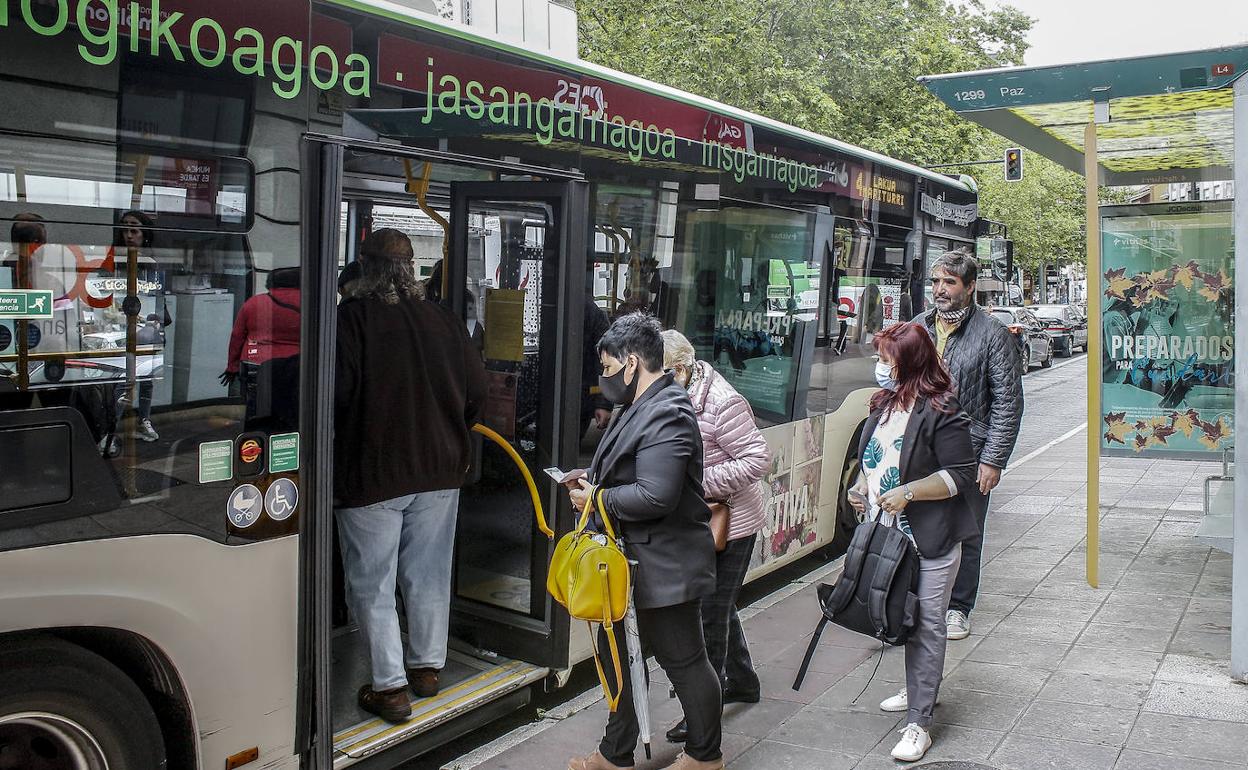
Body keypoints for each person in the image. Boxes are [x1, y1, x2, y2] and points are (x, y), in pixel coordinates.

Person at [333, 229, 486, 724]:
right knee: (428, 573)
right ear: (409, 268)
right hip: (441, 469)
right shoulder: (443, 318)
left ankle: (391, 688)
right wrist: (449, 433)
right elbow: (477, 393)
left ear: (365, 266)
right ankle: (427, 669)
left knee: (372, 582)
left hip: (373, 472)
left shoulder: (351, 319)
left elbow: (336, 395)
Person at [567, 313, 723, 770]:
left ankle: (705, 757)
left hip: (664, 565)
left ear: (632, 363)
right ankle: (615, 754)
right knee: (620, 659)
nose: (604, 379)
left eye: (608, 368)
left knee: (685, 662)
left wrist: (597, 498)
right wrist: (592, 477)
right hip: (631, 561)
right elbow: (630, 467)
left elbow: (656, 494)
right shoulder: (639, 403)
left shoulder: (668, 410)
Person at [847, 321, 977, 762]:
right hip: (889, 536)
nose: (879, 365)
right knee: (900, 616)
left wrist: (909, 492)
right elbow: (874, 459)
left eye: (886, 359)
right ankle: (921, 685)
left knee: (926, 624)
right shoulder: (883, 403)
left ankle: (919, 722)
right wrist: (862, 487)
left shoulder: (942, 408)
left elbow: (960, 475)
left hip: (930, 540)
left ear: (909, 363)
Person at [660, 330, 770, 746]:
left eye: (659, 372)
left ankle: (703, 714)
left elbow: (758, 458)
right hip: (700, 520)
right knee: (720, 606)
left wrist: (697, 482)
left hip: (732, 524)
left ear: (681, 369)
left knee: (709, 613)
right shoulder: (675, 394)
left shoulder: (723, 403)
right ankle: (744, 681)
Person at [918, 250, 1022, 641]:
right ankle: (916, 602)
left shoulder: (993, 334)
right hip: (920, 448)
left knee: (966, 531)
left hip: (969, 452)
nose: (940, 290)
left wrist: (993, 460)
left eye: (949, 282)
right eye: (935, 282)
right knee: (916, 526)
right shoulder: (919, 327)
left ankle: (958, 608)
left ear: (970, 286)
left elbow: (1008, 402)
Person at [221, 267, 301, 430]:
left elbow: (237, 336)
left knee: (255, 408)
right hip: (296, 365)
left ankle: (255, 439)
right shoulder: (309, 304)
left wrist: (232, 367)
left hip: (256, 363)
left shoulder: (254, 303)